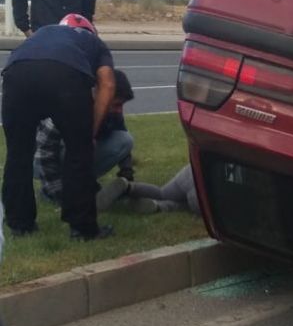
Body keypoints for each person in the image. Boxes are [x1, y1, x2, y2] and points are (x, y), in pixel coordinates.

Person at [1, 14, 115, 241]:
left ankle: (20, 225)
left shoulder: (44, 33)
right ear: (91, 31)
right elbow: (108, 83)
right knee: (78, 153)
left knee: (18, 154)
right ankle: (82, 229)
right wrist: (88, 131)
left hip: (16, 72)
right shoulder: (95, 44)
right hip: (66, 75)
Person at [35, 69, 136, 208]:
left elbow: (123, 145)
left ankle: (83, 184)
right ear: (98, 95)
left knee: (125, 140)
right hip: (38, 158)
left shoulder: (111, 111)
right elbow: (44, 152)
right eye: (117, 105)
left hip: (71, 154)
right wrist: (58, 194)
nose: (120, 110)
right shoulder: (68, 106)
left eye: (122, 105)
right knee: (80, 143)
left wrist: (127, 175)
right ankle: (51, 190)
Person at [97, 165, 200, 216]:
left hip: (191, 172)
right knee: (186, 207)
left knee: (162, 193)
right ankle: (158, 206)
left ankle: (129, 187)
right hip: (203, 194)